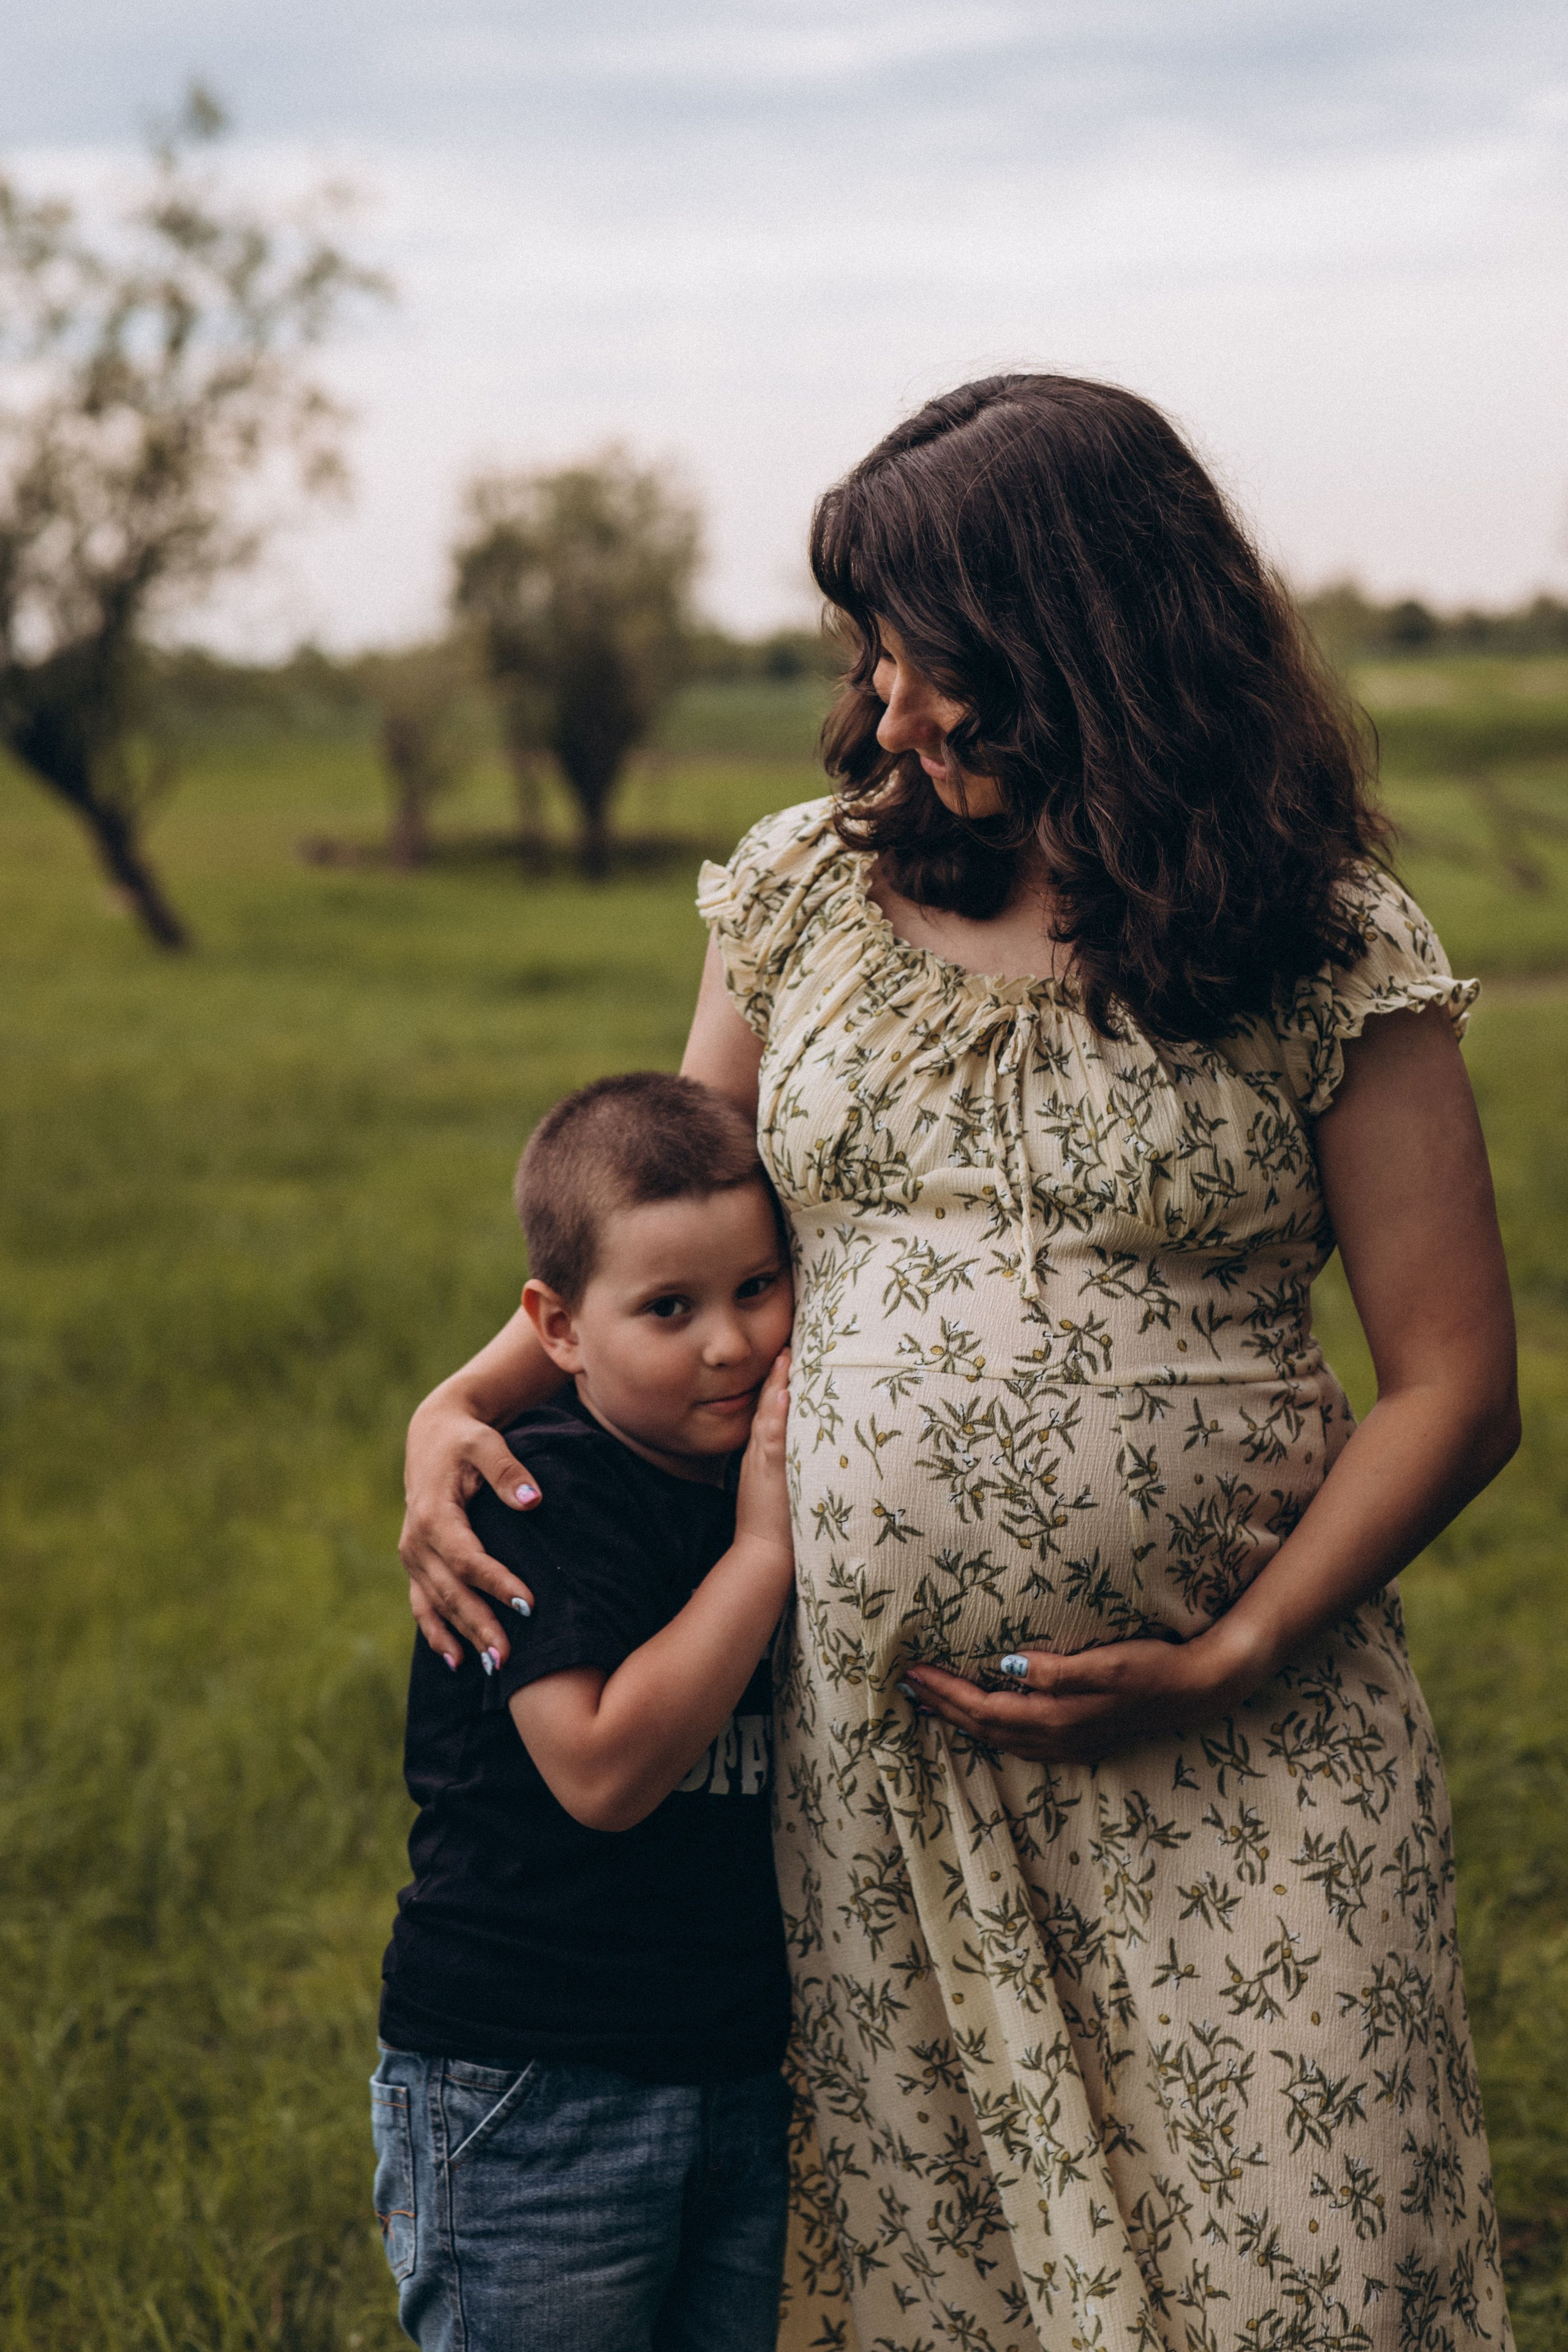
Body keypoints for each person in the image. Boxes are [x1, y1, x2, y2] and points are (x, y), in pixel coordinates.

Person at [399, 377, 1520, 2352]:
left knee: (1295, 2287)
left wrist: (1230, 1651)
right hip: (892, 1781)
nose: (894, 715)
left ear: (1104, 652)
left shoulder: (1327, 941)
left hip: (1243, 1758)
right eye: (878, 662)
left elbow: (1453, 1381)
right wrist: (465, 1399)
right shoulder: (809, 896)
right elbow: (664, 1222)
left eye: (943, 670)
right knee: (964, 2298)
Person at [373, 1071, 797, 2352]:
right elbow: (602, 1771)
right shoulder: (532, 1494)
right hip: (534, 2079)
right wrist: (761, 1559)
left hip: (734, 2067)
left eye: (755, 1290)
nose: (728, 1343)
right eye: (667, 1309)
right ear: (555, 1328)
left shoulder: (752, 1462)